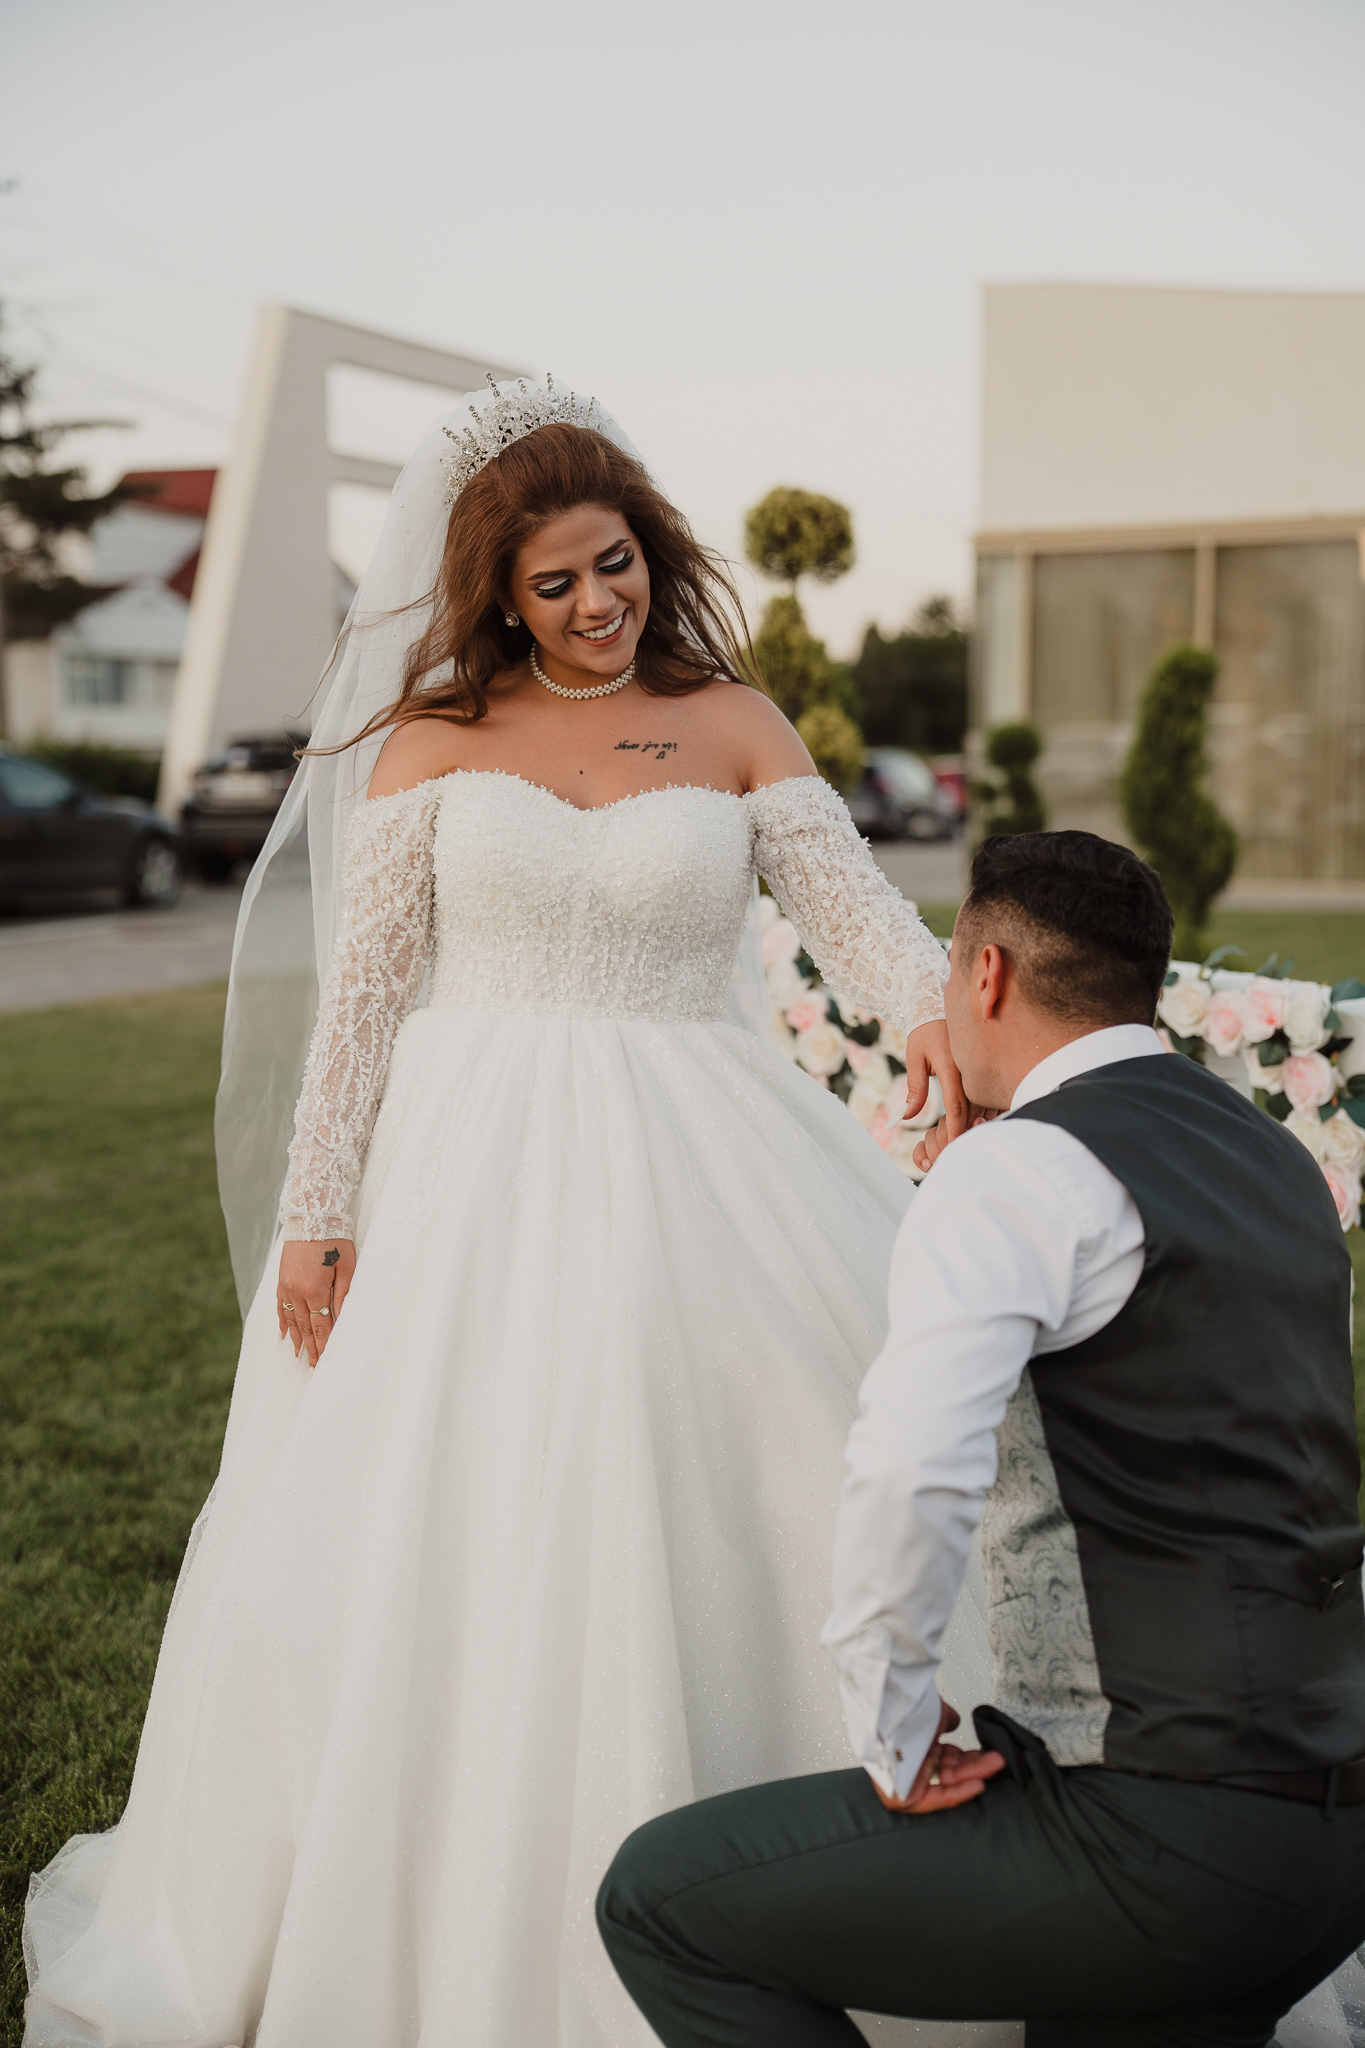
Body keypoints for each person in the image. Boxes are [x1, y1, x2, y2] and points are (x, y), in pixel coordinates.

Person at [23, 379, 983, 2048]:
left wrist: (954, 1028)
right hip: (465, 1174)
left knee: (733, 1477)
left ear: (650, 549)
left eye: (615, 562)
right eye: (556, 582)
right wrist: (318, 1209)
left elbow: (873, 931)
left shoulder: (735, 722)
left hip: (703, 1156)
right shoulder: (433, 741)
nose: (597, 600)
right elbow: (361, 1004)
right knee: (438, 1518)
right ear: (500, 593)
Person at [597, 828, 1365, 2048]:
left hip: (1156, 1837)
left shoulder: (1019, 1172)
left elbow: (911, 1466)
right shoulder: (1270, 1157)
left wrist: (895, 1731)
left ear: (987, 972)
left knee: (661, 1899)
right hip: (1330, 1842)